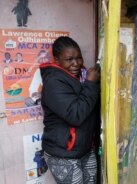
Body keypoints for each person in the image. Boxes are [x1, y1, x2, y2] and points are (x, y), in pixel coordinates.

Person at [40, 36, 100, 184]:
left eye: (79, 58)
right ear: (57, 60)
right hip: (63, 154)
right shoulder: (54, 82)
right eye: (69, 59)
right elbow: (75, 115)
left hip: (85, 149)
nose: (76, 63)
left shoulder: (82, 77)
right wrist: (91, 84)